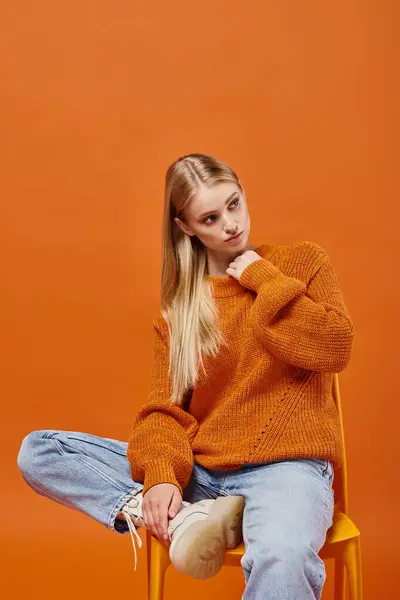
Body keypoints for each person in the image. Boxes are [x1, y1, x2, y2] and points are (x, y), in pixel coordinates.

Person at [17, 153, 354, 599]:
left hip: (287, 469)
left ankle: (205, 517)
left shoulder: (301, 264)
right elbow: (165, 411)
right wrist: (159, 475)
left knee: (283, 552)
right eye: (211, 218)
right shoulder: (181, 311)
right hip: (204, 473)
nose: (231, 224)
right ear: (186, 228)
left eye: (234, 204)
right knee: (41, 451)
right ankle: (190, 519)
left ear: (243, 193)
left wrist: (264, 280)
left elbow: (334, 347)